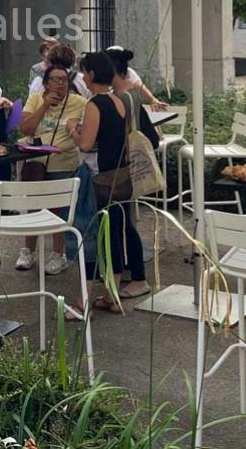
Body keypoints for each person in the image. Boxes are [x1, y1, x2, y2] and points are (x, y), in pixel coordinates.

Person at [72, 51, 148, 311]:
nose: (82, 76)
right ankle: (112, 296)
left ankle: (88, 301)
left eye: (84, 71)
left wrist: (73, 130)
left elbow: (85, 144)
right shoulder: (119, 100)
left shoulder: (94, 104)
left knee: (96, 237)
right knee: (115, 234)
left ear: (92, 74)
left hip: (101, 178)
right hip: (123, 176)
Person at [16, 61, 88, 275]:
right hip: (36, 162)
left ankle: (58, 255)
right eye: (55, 79)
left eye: (64, 80)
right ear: (45, 83)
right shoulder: (36, 98)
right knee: (33, 207)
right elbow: (26, 127)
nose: (60, 84)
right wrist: (44, 105)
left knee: (59, 210)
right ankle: (28, 250)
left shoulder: (79, 102)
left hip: (63, 162)